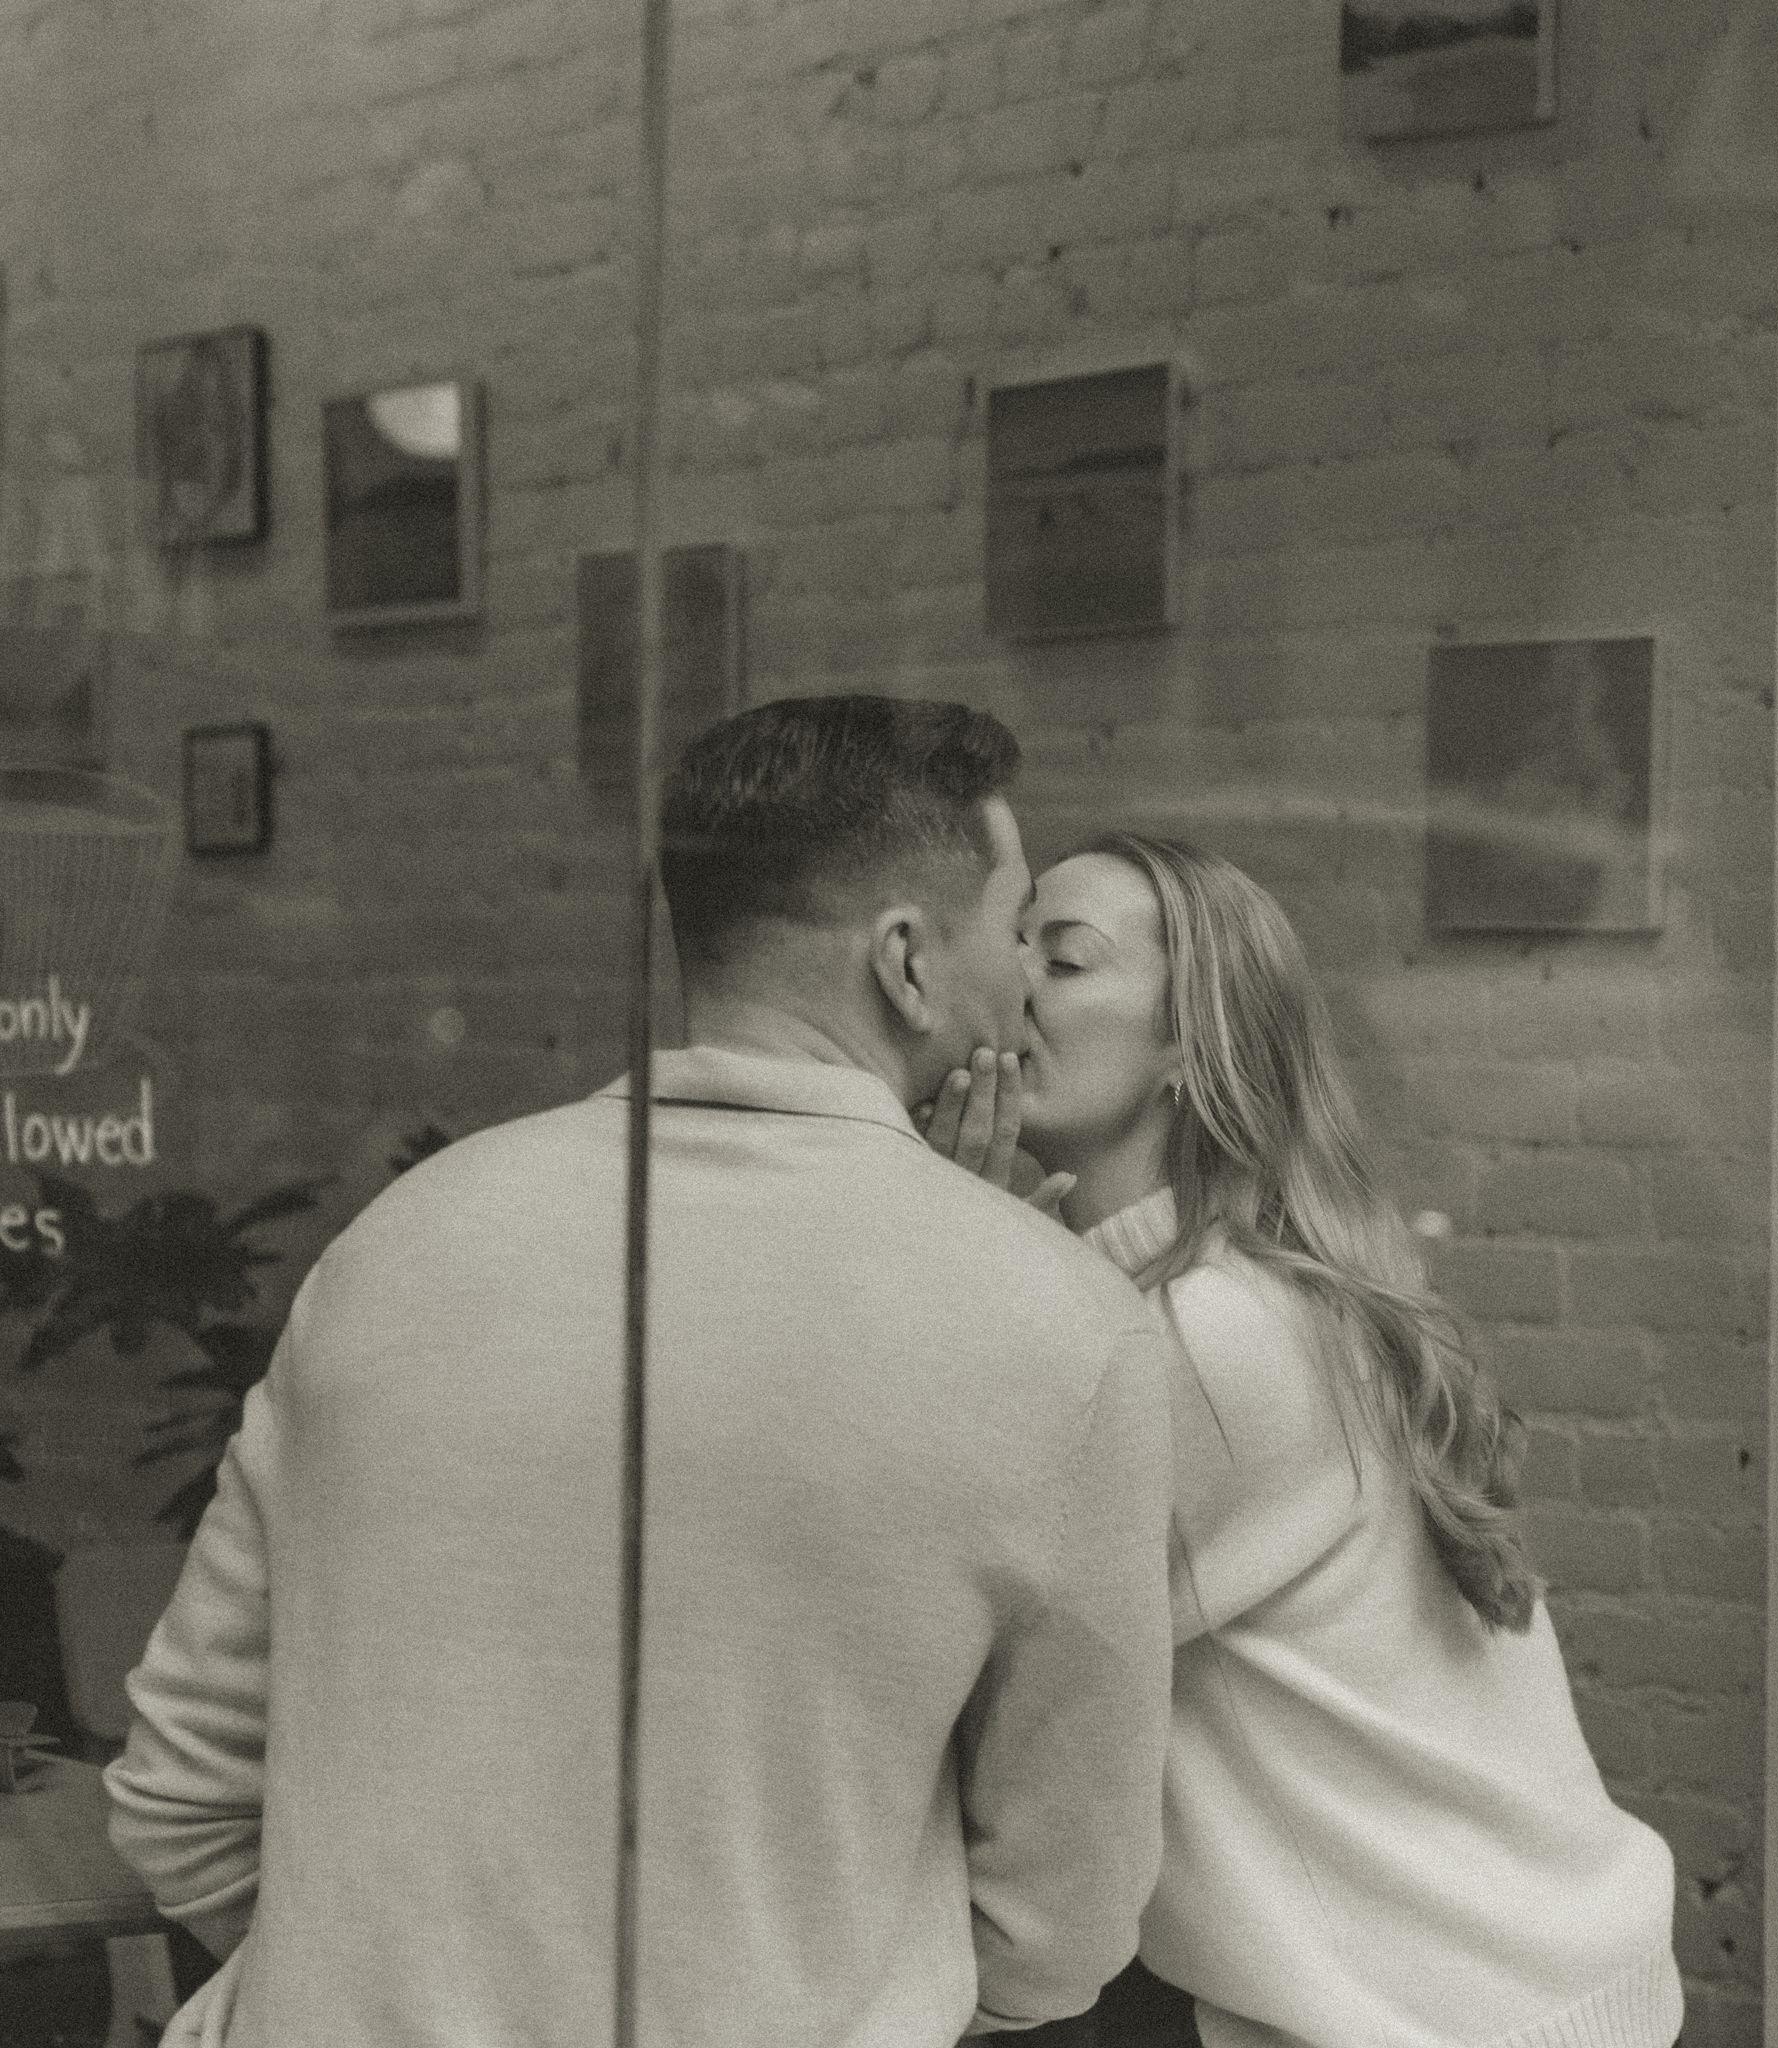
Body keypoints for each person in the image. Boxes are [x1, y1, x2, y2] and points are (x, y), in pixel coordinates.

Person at [103, 699, 1177, 2048]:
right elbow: (1061, 1918)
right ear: (905, 961)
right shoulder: (1061, 1331)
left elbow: (179, 1796)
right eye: (1014, 930)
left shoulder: (396, 1245)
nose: (1025, 980)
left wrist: (398, 1994)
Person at [925, 831, 1684, 2048]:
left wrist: (923, 1231)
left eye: (1061, 960)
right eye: (1011, 943)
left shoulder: (1213, 1338)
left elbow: (944, 1651)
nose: (1010, 983)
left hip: (1459, 2017)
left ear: (1190, 1045)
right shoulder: (1214, 1298)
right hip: (1513, 1988)